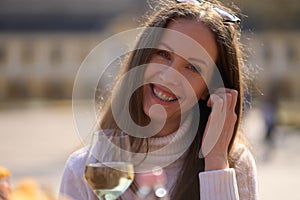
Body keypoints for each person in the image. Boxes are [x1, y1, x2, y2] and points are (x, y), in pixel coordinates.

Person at [60, 0, 258, 199]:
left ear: (210, 89)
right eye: (163, 54)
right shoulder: (84, 170)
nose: (169, 77)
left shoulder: (235, 165)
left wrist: (215, 163)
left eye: (193, 68)